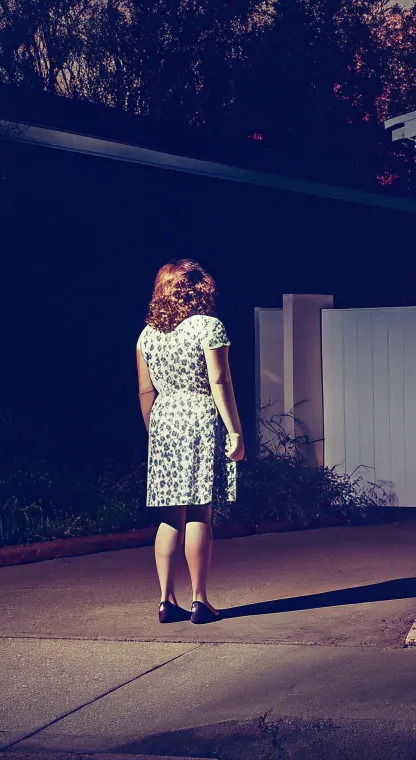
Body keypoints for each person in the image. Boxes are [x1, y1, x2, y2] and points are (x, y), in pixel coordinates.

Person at [136, 259, 245, 623]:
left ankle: (166, 600)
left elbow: (145, 390)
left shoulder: (147, 335)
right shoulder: (209, 327)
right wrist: (235, 431)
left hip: (164, 421)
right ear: (200, 288)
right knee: (200, 511)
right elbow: (219, 381)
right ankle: (200, 600)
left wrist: (155, 432)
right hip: (199, 417)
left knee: (170, 516)